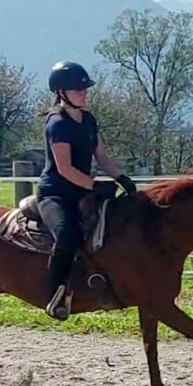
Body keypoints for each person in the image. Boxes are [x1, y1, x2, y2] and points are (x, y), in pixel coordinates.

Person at [36, 60, 137, 321]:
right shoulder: (57, 124)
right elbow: (65, 169)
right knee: (67, 236)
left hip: (82, 192)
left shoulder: (88, 120)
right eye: (77, 89)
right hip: (56, 194)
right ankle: (53, 292)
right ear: (61, 92)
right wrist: (95, 186)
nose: (84, 93)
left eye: (84, 89)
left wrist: (121, 177)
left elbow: (100, 155)